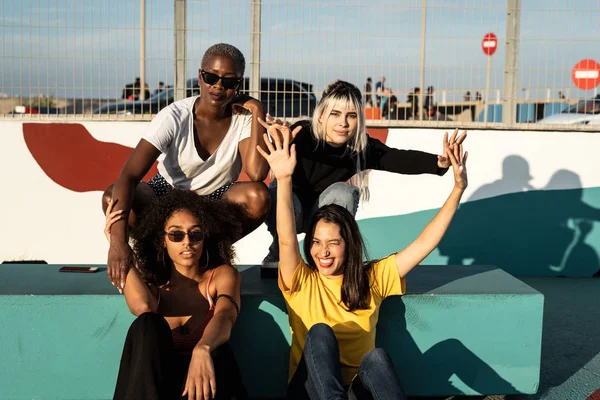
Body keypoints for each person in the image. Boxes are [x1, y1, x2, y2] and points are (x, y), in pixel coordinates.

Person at [256, 120, 469, 399]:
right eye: (317, 243)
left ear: (349, 245)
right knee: (320, 333)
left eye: (334, 243)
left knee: (377, 358)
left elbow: (425, 243)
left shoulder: (373, 278)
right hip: (309, 392)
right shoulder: (301, 281)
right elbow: (285, 238)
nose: (323, 252)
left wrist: (457, 189)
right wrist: (283, 179)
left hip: (355, 390)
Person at [103, 43, 270, 291]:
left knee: (258, 196)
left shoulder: (244, 118)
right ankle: (154, 258)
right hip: (165, 195)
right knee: (111, 196)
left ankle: (211, 256)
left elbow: (257, 173)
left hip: (213, 202)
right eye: (211, 77)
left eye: (229, 82)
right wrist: (118, 244)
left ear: (239, 84)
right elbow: (128, 176)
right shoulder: (174, 116)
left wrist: (257, 109)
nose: (218, 86)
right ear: (200, 76)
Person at [261, 80, 465, 274]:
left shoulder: (359, 148)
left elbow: (398, 158)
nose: (343, 123)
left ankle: (328, 261)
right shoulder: (300, 135)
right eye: (335, 114)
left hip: (321, 215)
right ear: (321, 116)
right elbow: (261, 167)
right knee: (278, 191)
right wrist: (279, 141)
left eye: (351, 115)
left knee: (345, 193)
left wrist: (439, 162)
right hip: (290, 210)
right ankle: (278, 251)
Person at [105, 190, 248, 400]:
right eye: (176, 235)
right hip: (161, 389)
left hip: (205, 387)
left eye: (196, 234)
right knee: (147, 324)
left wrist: (203, 348)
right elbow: (142, 308)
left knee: (219, 354)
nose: (187, 242)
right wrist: (118, 245)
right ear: (163, 241)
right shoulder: (155, 287)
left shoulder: (222, 276)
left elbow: (225, 315)